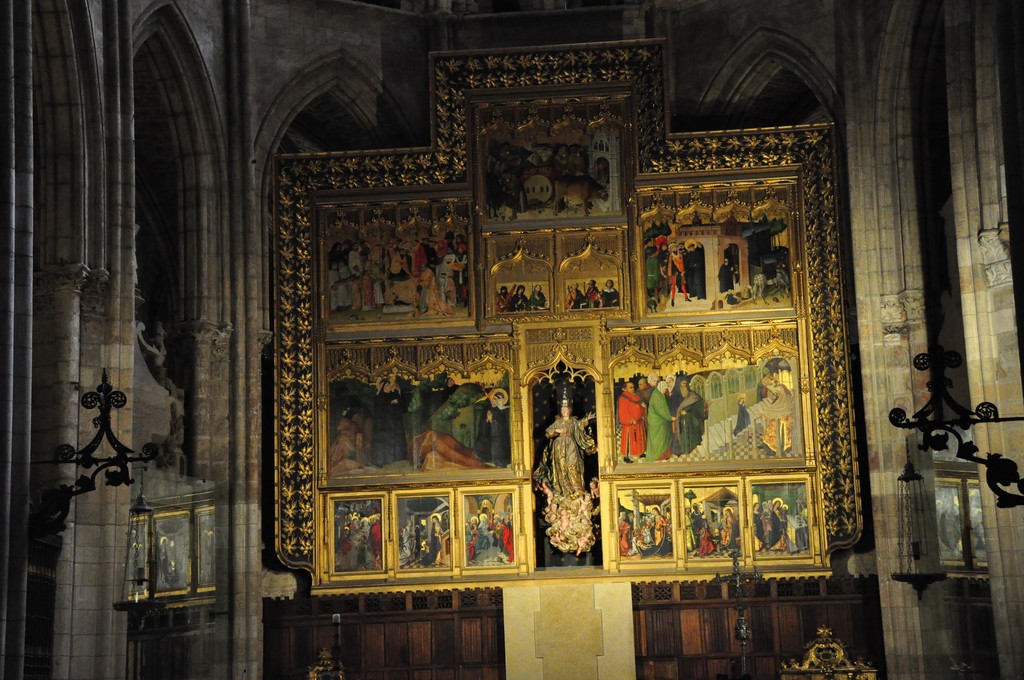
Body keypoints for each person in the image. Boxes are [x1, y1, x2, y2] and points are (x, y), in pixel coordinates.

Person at [672, 375, 706, 456]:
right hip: (678, 421)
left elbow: (700, 405)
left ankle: (690, 450)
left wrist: (688, 412)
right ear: (679, 384)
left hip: (690, 421)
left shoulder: (693, 396)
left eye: (686, 384)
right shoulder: (675, 396)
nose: (685, 386)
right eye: (683, 383)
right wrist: (678, 414)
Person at [643, 378, 675, 462]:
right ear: (661, 387)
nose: (665, 390)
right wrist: (669, 417)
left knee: (664, 438)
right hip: (657, 422)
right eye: (665, 389)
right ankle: (658, 456)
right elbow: (660, 410)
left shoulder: (660, 394)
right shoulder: (657, 396)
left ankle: (665, 455)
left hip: (662, 421)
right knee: (659, 439)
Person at [617, 381, 646, 462]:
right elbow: (623, 411)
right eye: (630, 387)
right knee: (629, 440)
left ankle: (640, 452)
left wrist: (643, 411)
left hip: (639, 421)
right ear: (625, 389)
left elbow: (639, 407)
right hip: (630, 424)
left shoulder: (636, 396)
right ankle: (626, 457)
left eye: (633, 387)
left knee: (639, 438)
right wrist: (630, 420)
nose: (633, 389)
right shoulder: (623, 398)